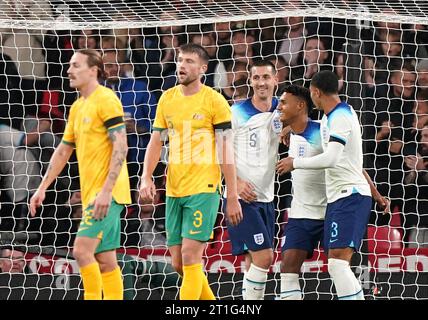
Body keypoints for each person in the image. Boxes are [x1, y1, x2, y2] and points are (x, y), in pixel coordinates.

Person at [139, 43, 242, 300]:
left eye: (188, 61)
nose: (182, 66)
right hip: (174, 189)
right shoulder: (167, 98)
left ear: (203, 68)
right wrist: (146, 176)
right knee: (179, 264)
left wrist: (232, 194)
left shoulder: (215, 101)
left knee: (190, 256)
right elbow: (156, 141)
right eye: (180, 60)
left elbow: (226, 149)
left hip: (204, 188)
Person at [276, 71, 388, 300]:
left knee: (337, 266)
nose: (279, 107)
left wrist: (294, 163)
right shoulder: (329, 119)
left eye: (284, 103)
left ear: (314, 93)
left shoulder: (337, 119)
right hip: (327, 202)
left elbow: (335, 159)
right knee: (296, 268)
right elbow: (351, 159)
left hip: (346, 197)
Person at [30, 49, 131, 300]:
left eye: (75, 65)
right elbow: (64, 150)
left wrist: (107, 191)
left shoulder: (106, 99)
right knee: (105, 260)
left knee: (81, 252)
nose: (69, 70)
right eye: (69, 65)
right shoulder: (77, 107)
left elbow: (121, 145)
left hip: (107, 193)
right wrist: (42, 187)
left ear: (93, 70)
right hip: (92, 194)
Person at [226, 60, 281, 300]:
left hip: (267, 196)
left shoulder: (282, 109)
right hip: (241, 197)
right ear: (250, 81)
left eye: (266, 77)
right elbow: (220, 152)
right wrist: (235, 184)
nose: (261, 83)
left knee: (254, 260)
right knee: (264, 257)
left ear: (275, 80)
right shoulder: (236, 112)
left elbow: (295, 123)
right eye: (256, 78)